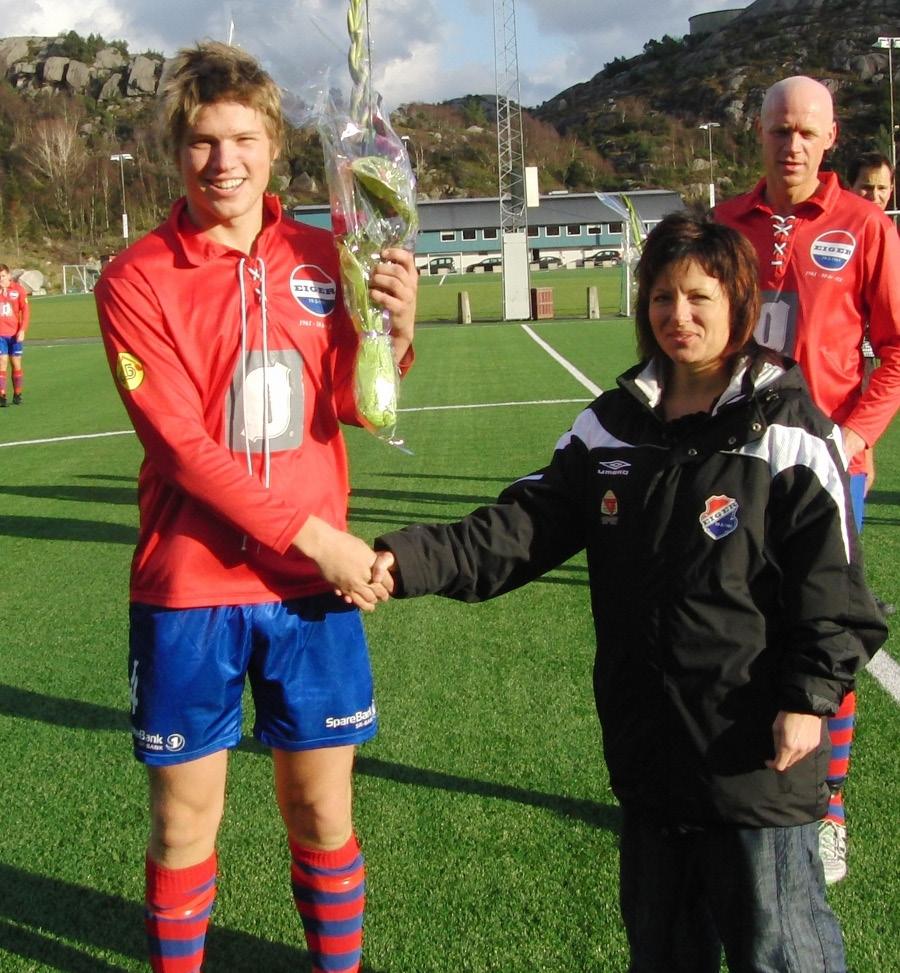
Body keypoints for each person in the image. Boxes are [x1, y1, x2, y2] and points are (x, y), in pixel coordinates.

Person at [372, 212, 886, 973]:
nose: (679, 316)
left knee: (784, 954)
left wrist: (808, 699)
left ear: (740, 305)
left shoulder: (787, 429)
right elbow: (518, 529)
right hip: (650, 751)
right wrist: (398, 561)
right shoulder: (610, 426)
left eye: (700, 297)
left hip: (755, 761)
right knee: (663, 954)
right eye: (662, 297)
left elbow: (834, 589)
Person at [94, 41, 417, 973]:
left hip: (307, 598)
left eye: (243, 139)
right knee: (182, 822)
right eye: (202, 140)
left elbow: (356, 402)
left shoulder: (324, 255)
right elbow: (181, 449)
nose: (222, 160)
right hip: (193, 589)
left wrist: (395, 330)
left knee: (321, 811)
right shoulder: (135, 278)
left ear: (275, 147)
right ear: (176, 150)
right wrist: (317, 538)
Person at [714, 75, 900, 885]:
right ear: (758, 134)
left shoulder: (865, 226)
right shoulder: (724, 224)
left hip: (825, 473)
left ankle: (830, 809)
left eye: (805, 132)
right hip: (736, 465)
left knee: (825, 636)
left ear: (830, 139)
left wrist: (853, 438)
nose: (791, 144)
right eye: (778, 129)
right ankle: (744, 782)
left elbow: (896, 348)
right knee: (737, 626)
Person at [846, 151, 895, 507]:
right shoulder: (843, 238)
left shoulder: (886, 236)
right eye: (866, 187)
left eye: (882, 188)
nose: (874, 196)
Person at [0, 263, 30, 406]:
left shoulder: (18, 290)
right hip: (0, 334)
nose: (1, 279)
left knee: (16, 363)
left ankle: (17, 394)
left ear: (9, 276)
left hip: (15, 334)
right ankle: (2, 395)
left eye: (3, 276)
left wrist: (22, 330)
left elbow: (25, 311)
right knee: (2, 362)